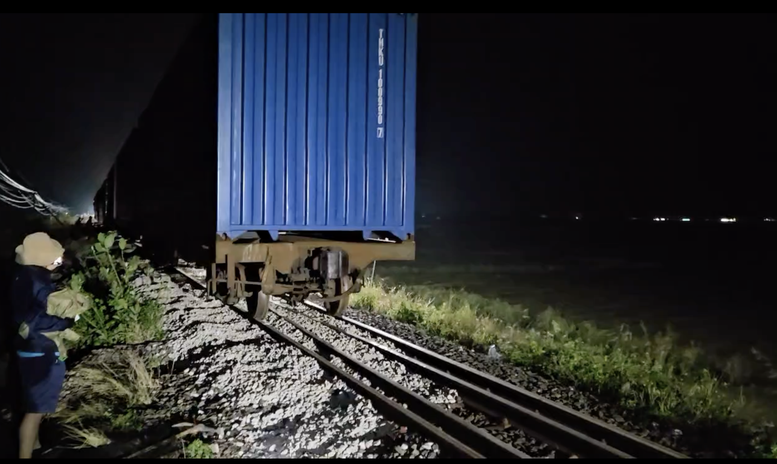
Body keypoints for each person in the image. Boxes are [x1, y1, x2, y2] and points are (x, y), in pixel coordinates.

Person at [10, 232, 72, 459]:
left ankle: (36, 447)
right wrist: (67, 320)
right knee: (35, 411)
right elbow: (37, 320)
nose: (58, 262)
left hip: (27, 348)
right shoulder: (37, 280)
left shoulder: (24, 275)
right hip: (40, 350)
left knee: (33, 402)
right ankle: (26, 453)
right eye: (56, 258)